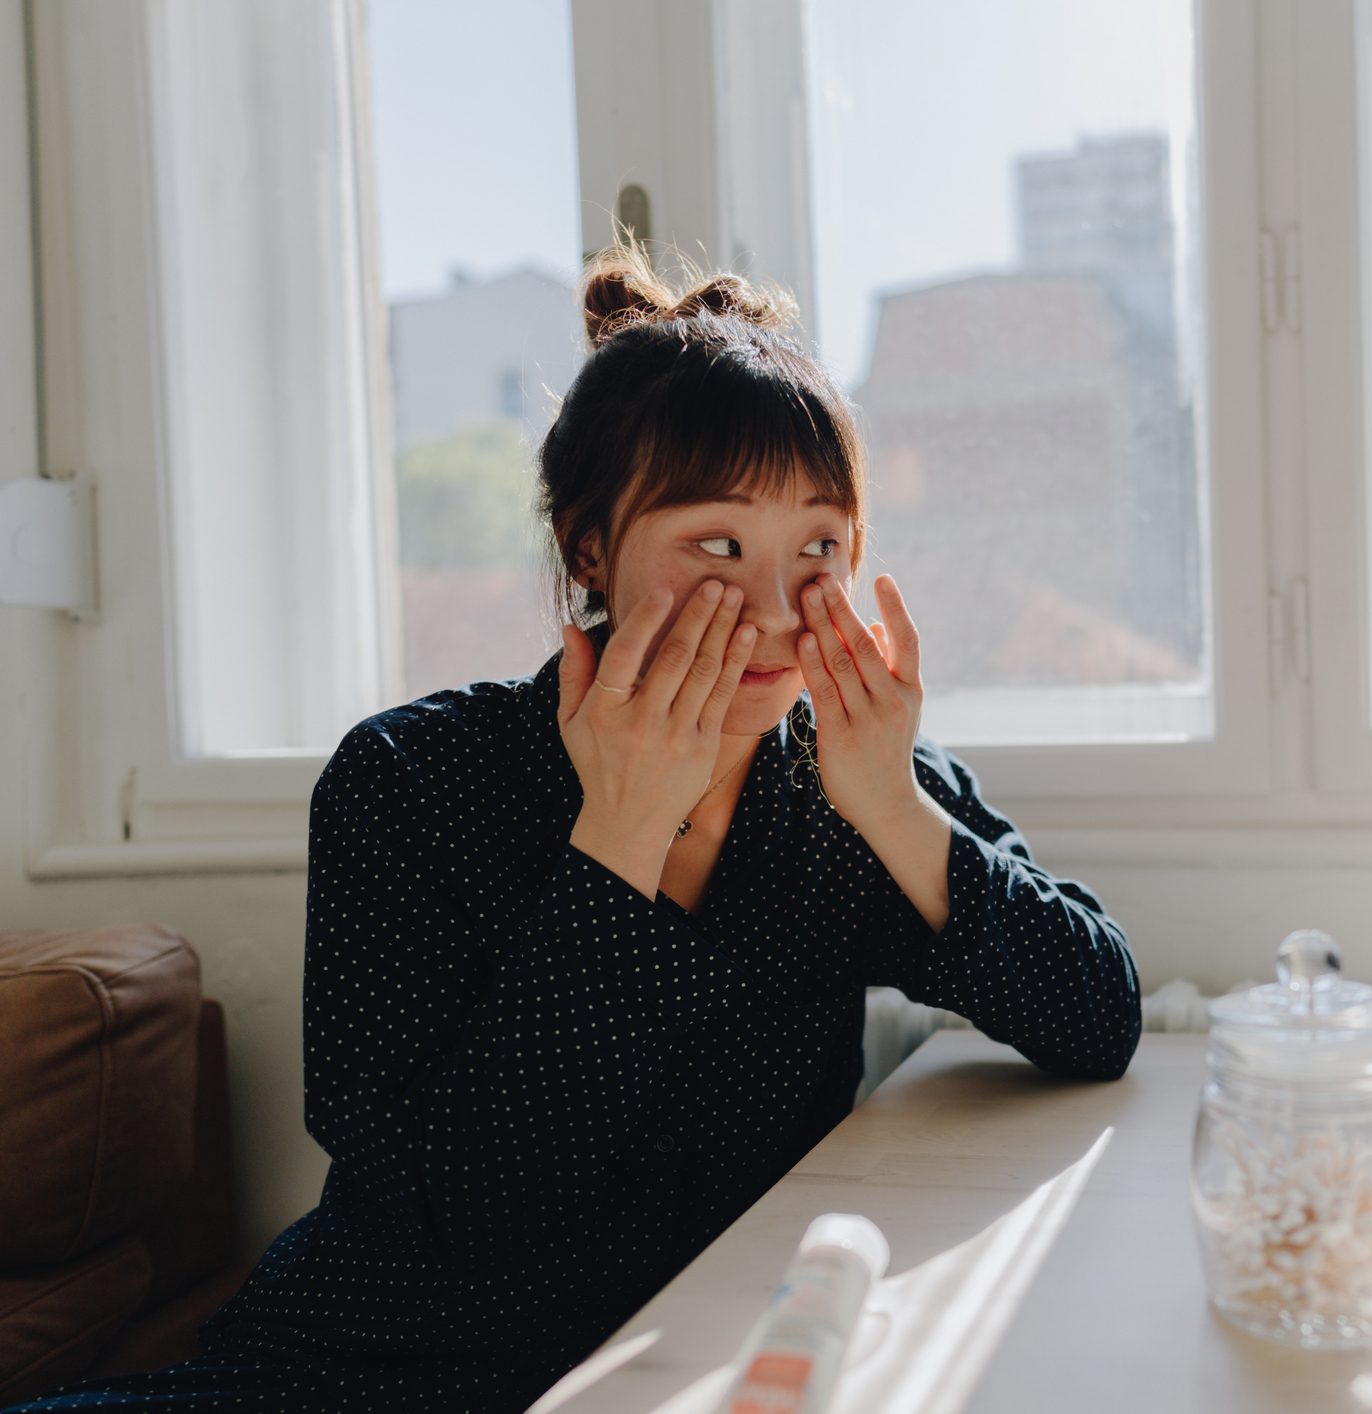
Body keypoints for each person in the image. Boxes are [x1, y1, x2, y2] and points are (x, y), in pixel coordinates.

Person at [6, 245, 1142, 1412]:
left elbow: (1101, 1016)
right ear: (589, 549)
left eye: (819, 549)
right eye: (716, 546)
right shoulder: (407, 782)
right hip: (359, 1372)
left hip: (689, 1367)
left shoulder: (845, 794)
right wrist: (622, 836)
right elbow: (457, 1208)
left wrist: (896, 807)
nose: (774, 610)